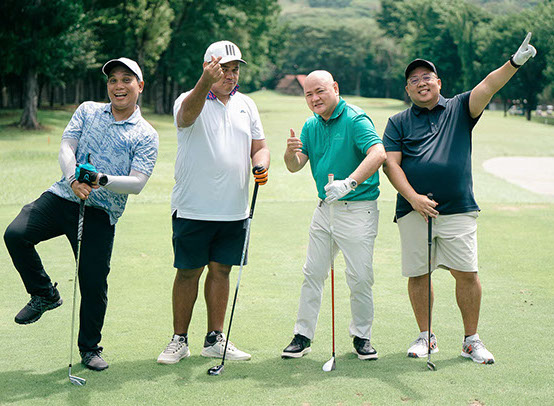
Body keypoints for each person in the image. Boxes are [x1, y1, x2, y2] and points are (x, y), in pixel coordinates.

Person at [382, 33, 537, 364]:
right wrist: (413, 198)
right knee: (419, 274)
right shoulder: (398, 122)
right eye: (414, 80)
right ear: (407, 90)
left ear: (438, 82)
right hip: (413, 211)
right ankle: (426, 336)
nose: (421, 83)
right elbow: (391, 165)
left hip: (458, 208)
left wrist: (514, 62)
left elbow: (488, 86)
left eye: (426, 77)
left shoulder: (460, 108)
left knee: (467, 273)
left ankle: (471, 341)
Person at [4, 57, 159, 371]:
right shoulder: (88, 110)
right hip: (62, 196)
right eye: (113, 80)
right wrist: (73, 178)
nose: (118, 86)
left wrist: (101, 179)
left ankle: (90, 349)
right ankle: (44, 294)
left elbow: (138, 183)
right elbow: (66, 146)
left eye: (126, 80)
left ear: (140, 86)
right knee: (16, 234)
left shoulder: (146, 134)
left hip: (100, 212)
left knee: (92, 282)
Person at [157, 40, 270, 364]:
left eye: (235, 70)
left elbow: (260, 147)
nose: (231, 75)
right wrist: (205, 82)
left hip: (234, 208)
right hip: (193, 206)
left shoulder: (246, 104)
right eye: (224, 69)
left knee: (222, 270)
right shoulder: (188, 98)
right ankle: (179, 340)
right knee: (188, 272)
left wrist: (261, 164)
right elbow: (186, 117)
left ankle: (215, 339)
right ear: (208, 68)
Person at [281, 70, 386, 360]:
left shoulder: (355, 118)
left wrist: (349, 182)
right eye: (308, 94)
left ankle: (362, 336)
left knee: (360, 277)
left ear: (335, 88)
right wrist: (290, 153)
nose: (314, 98)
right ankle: (302, 336)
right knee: (312, 273)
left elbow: (378, 153)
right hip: (325, 209)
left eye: (320, 91)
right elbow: (295, 165)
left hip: (358, 208)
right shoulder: (311, 125)